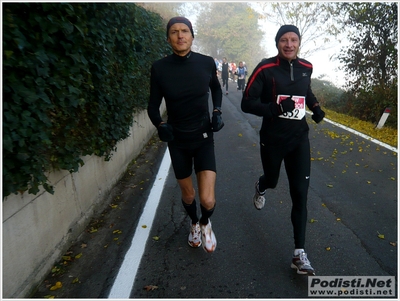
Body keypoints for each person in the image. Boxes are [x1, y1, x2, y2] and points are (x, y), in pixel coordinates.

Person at [241, 25, 325, 275]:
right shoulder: (266, 68)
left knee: (300, 193)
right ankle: (261, 185)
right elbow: (247, 102)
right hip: (273, 139)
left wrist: (316, 106)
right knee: (273, 180)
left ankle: (299, 254)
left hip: (299, 139)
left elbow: (305, 91)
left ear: (299, 43)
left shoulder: (306, 67)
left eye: (293, 40)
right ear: (277, 43)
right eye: (284, 40)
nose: (289, 44)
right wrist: (275, 109)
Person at [147, 17, 224, 253]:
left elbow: (216, 88)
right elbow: (152, 105)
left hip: (203, 137)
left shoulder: (206, 63)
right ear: (168, 38)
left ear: (192, 35)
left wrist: (217, 111)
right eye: (174, 32)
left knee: (208, 200)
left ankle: (204, 222)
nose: (180, 35)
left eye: (184, 31)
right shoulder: (159, 68)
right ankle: (193, 223)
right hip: (177, 141)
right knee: (189, 195)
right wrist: (160, 124)